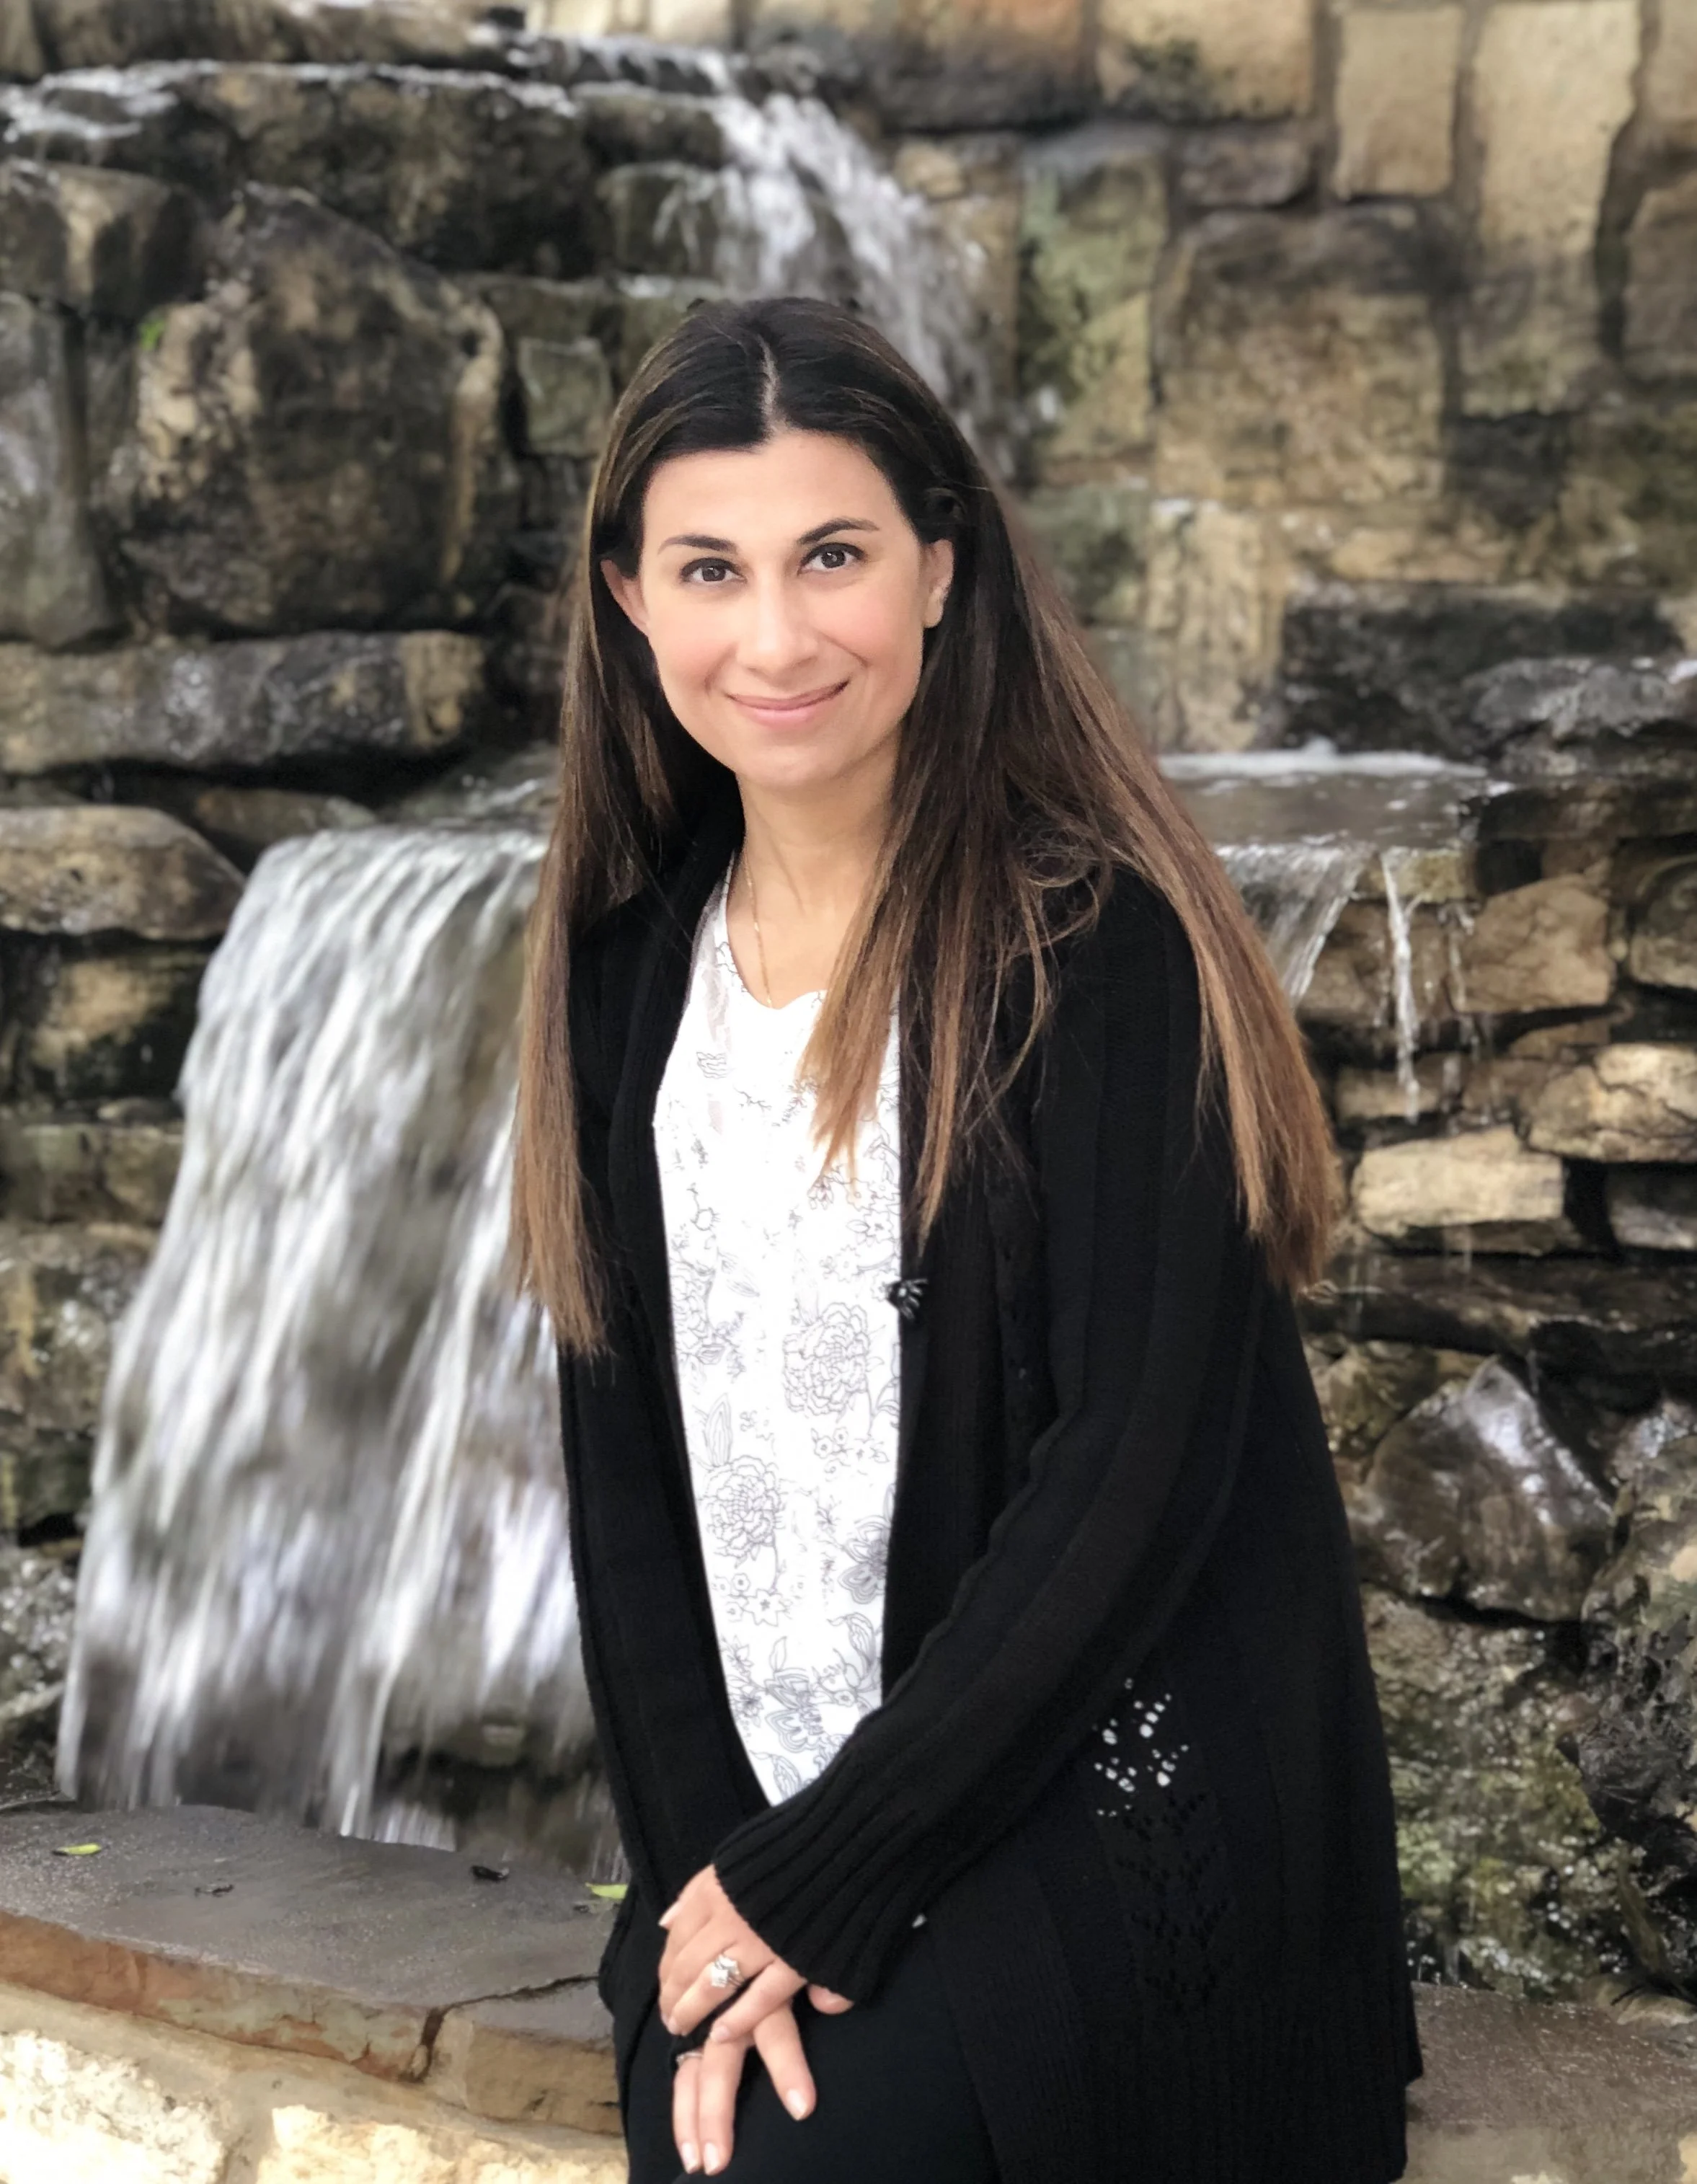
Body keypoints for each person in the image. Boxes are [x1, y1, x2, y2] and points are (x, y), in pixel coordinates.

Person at [510, 294, 1420, 2184]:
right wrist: (720, 1890)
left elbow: (1131, 1484)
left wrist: (834, 1870)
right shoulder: (620, 980)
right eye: (711, 568)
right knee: (712, 2116)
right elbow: (631, 1506)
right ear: (627, 599)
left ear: (938, 566)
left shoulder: (1093, 946)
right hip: (785, 1834)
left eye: (831, 555)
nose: (775, 634)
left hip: (1089, 1804)